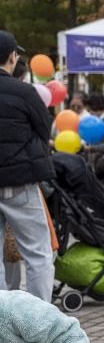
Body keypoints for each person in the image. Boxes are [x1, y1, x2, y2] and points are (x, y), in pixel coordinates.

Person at [0, 32, 56, 301]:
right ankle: (40, 317)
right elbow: (44, 129)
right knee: (38, 253)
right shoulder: (24, 91)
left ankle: (2, 317)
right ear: (12, 57)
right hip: (20, 180)